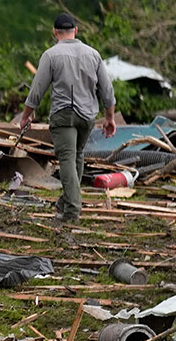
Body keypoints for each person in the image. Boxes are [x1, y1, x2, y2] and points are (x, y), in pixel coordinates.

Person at [17, 13, 116, 223]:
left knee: (68, 159)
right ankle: (66, 201)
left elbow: (37, 89)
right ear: (76, 31)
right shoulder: (93, 54)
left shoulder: (51, 55)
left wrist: (27, 115)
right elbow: (107, 91)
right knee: (77, 156)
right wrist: (110, 118)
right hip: (87, 116)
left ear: (54, 32)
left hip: (63, 115)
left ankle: (71, 210)